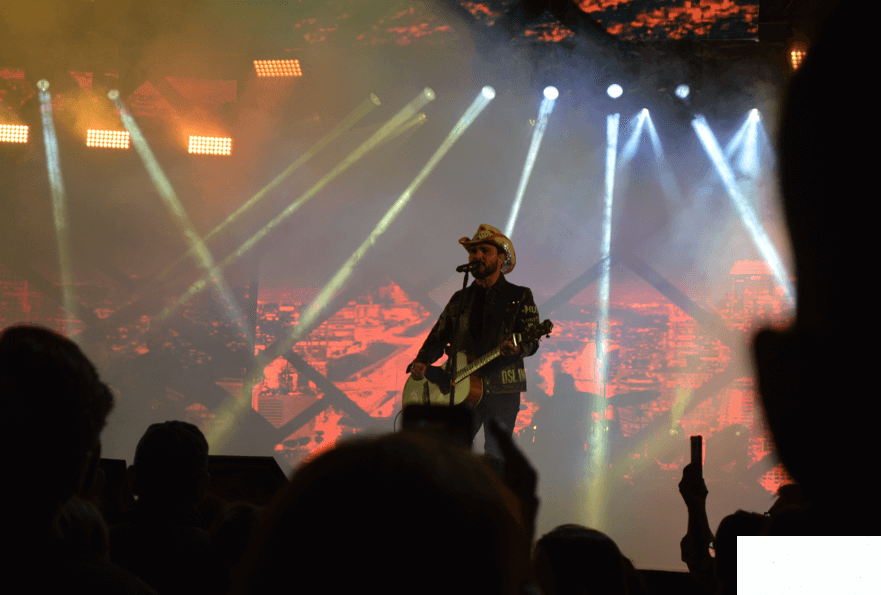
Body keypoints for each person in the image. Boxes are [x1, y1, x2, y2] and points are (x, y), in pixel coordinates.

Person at [407, 224, 542, 459]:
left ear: (501, 258)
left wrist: (519, 347)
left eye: (485, 251)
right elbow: (438, 335)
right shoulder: (460, 298)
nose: (477, 255)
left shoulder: (519, 296)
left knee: (495, 456)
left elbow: (532, 339)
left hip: (501, 390)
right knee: (450, 454)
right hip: (459, 388)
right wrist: (422, 360)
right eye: (473, 251)